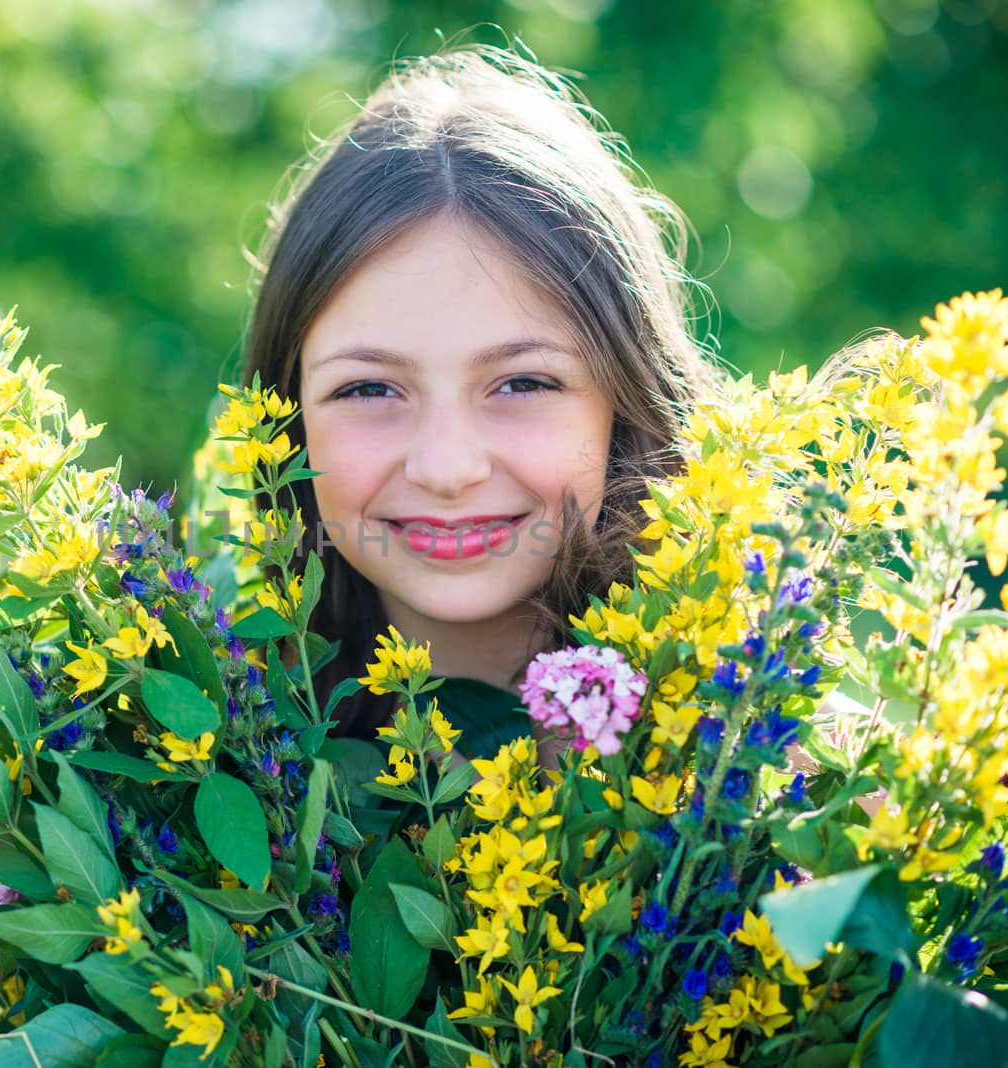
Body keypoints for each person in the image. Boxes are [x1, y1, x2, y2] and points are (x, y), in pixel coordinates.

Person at [237, 43, 722, 743]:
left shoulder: (797, 788)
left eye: (523, 382)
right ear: (287, 419)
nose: (446, 468)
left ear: (626, 393)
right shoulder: (190, 758)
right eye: (369, 388)